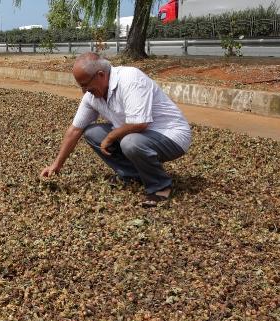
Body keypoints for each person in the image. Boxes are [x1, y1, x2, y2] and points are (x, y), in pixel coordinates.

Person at [40, 52, 192, 207]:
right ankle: (133, 175)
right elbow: (75, 130)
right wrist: (56, 165)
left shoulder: (130, 79)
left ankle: (160, 186)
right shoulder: (92, 97)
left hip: (171, 135)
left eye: (85, 84)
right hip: (138, 136)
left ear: (100, 75)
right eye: (81, 86)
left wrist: (111, 136)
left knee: (129, 142)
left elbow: (140, 123)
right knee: (93, 133)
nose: (84, 91)